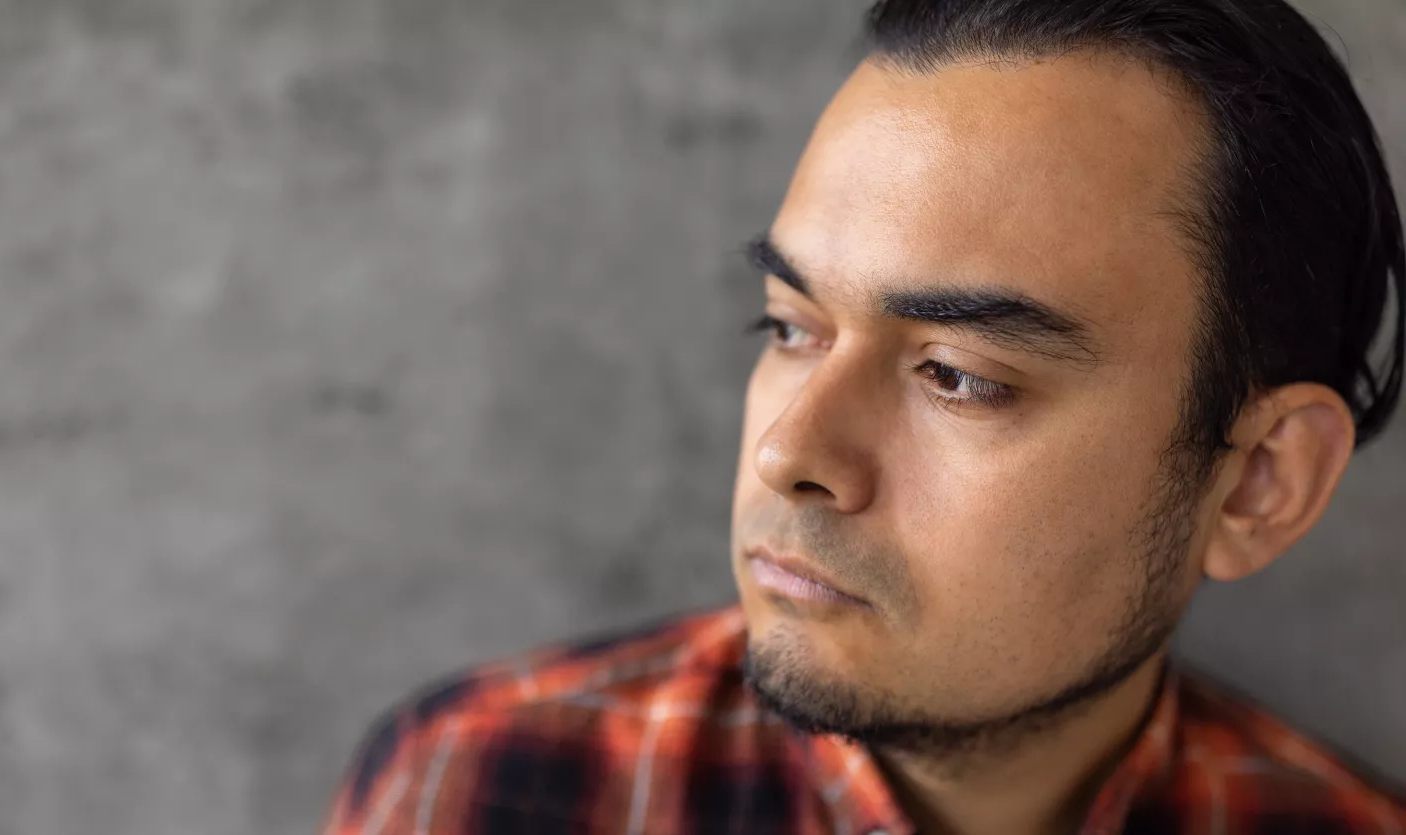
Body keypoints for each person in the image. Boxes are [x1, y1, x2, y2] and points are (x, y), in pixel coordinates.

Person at [321, 1, 1406, 832]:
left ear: (1259, 481)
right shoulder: (487, 789)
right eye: (790, 328)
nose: (790, 450)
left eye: (958, 376)